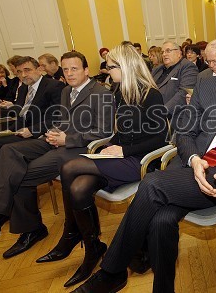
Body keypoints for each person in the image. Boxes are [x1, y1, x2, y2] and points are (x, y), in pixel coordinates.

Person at [72, 26, 216, 293]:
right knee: (161, 221)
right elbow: (185, 131)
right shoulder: (207, 85)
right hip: (189, 168)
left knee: (151, 184)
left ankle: (112, 270)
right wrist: (194, 158)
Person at [36, 43, 168, 288]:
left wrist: (123, 149)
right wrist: (112, 145)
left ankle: (73, 234)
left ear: (125, 67)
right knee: (78, 188)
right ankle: (92, 247)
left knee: (69, 167)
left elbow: (159, 137)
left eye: (111, 67)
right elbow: (122, 130)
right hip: (119, 157)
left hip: (139, 161)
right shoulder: (118, 90)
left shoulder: (151, 94)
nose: (107, 71)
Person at [0, 52, 114, 258]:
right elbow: (62, 120)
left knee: (20, 174)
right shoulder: (66, 92)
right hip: (56, 140)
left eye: (75, 69)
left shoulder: (101, 93)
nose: (69, 73)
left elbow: (104, 132)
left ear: (86, 70)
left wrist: (67, 140)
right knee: (9, 150)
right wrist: (51, 132)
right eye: (66, 69)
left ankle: (27, 228)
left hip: (78, 148)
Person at [0, 56, 65, 206]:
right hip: (20, 132)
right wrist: (10, 130)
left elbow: (58, 117)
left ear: (39, 69)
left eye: (27, 70)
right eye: (19, 72)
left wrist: (32, 130)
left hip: (38, 135)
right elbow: (21, 113)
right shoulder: (24, 87)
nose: (23, 75)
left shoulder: (54, 86)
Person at [151, 41, 198, 116]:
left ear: (179, 53)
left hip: (173, 115)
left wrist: (163, 111)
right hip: (152, 111)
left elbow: (184, 93)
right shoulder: (157, 69)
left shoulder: (188, 67)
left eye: (168, 51)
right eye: (162, 52)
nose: (164, 54)